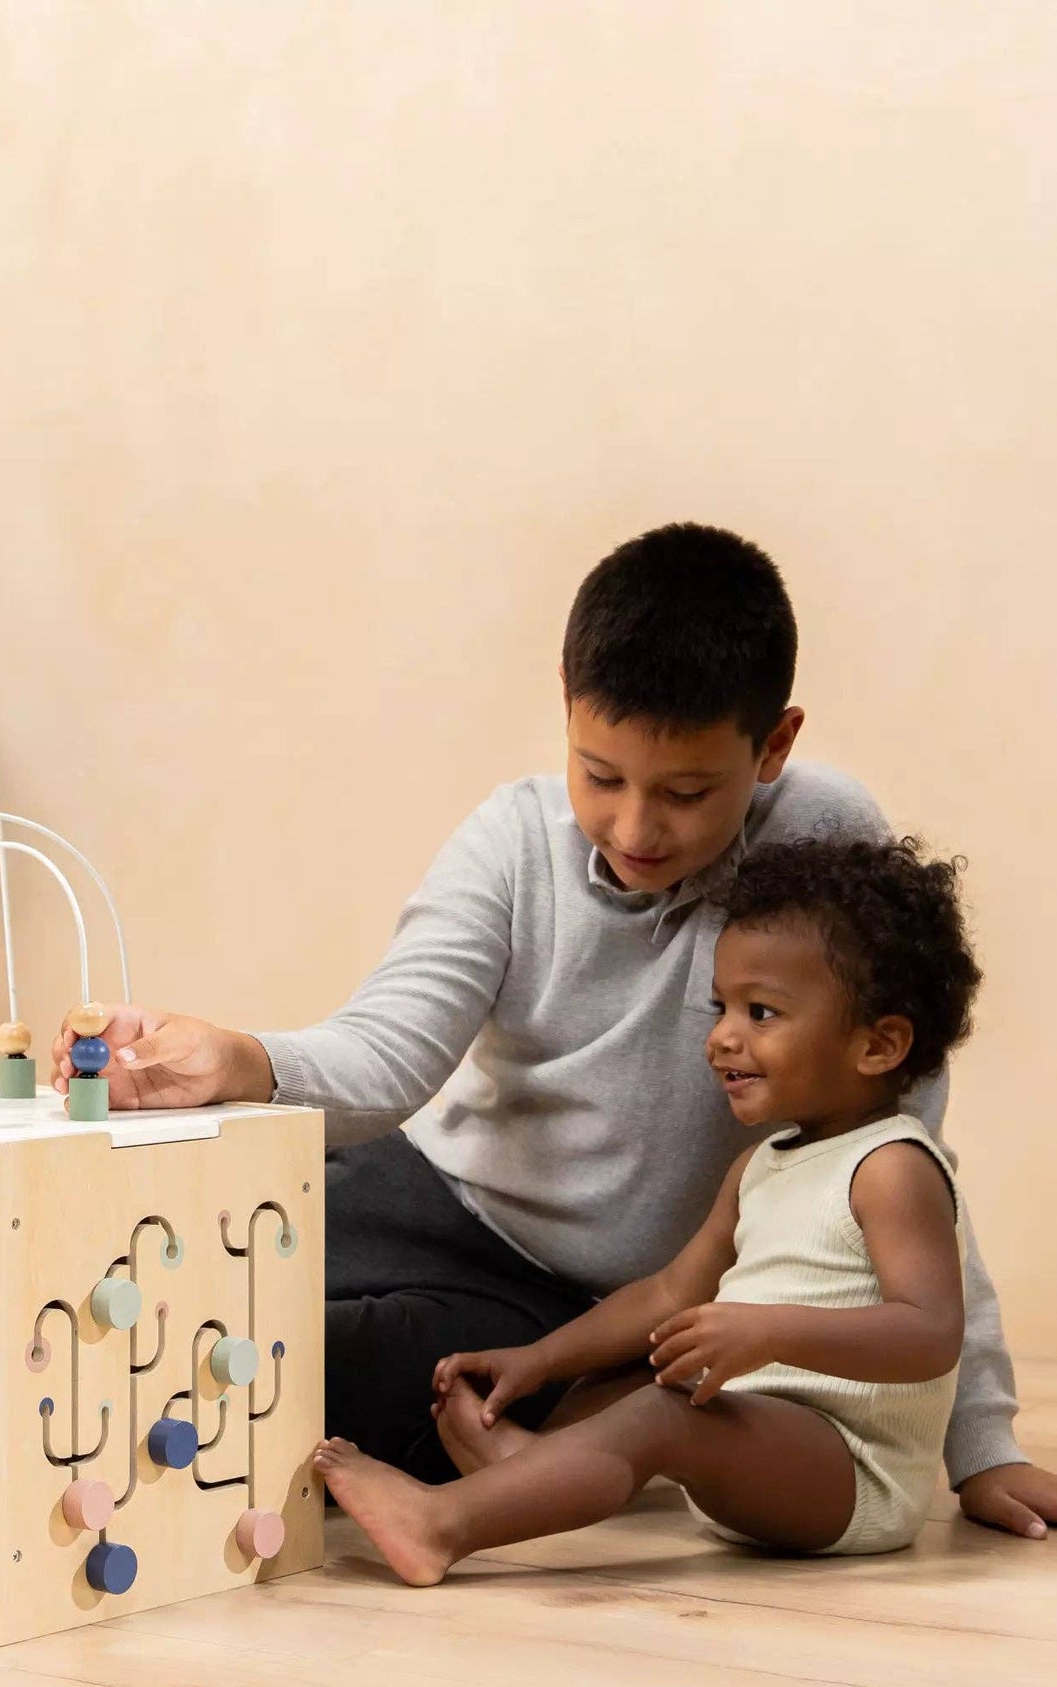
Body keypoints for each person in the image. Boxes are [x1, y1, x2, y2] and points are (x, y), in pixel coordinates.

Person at [52, 523, 1057, 1540]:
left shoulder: (826, 833)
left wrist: (983, 1443)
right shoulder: (511, 839)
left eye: (684, 793)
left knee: (281, 1361)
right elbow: (387, 1054)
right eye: (598, 774)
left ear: (773, 746)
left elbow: (909, 1146)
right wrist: (240, 1059)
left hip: (583, 1306)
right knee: (162, 1285)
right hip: (428, 1193)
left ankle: (559, 1427)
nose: (631, 828)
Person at [312, 836, 979, 1580]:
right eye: (719, 1006)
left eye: (760, 1012)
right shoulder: (759, 1165)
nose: (722, 1035)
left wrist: (770, 1330)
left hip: (851, 1472)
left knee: (666, 1411)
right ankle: (528, 1469)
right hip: (764, 1436)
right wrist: (535, 1363)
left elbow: (929, 1332)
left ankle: (442, 1523)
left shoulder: (890, 1166)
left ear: (878, 1045)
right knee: (648, 1371)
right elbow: (667, 1292)